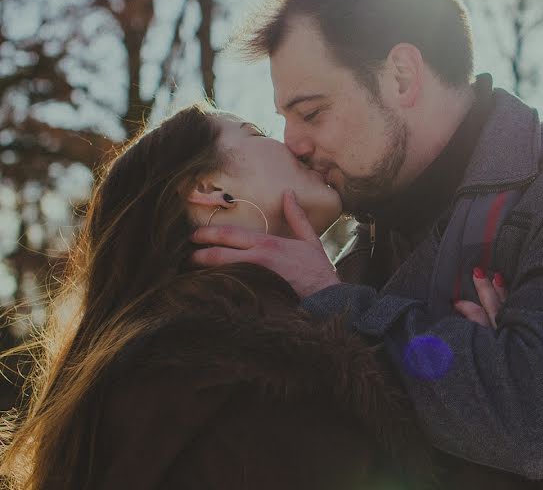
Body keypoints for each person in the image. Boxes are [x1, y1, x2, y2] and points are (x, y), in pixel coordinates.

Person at [193, 0, 543, 488]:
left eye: (312, 112)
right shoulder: (361, 251)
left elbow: (533, 422)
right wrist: (473, 365)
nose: (292, 142)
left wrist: (336, 306)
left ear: (401, 76)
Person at [0, 106, 440, 489]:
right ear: (209, 190)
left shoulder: (162, 362)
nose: (296, 145)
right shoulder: (255, 377)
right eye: (255, 131)